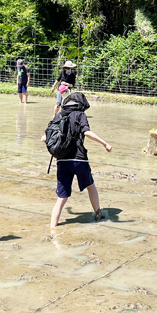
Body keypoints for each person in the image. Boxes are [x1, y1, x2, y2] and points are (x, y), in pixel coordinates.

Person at [43, 92, 112, 229]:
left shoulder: (59, 116)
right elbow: (86, 132)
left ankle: (52, 228)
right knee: (90, 186)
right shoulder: (80, 115)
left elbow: (45, 137)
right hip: (79, 159)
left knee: (61, 198)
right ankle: (98, 214)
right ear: (81, 105)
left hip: (62, 161)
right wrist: (105, 143)